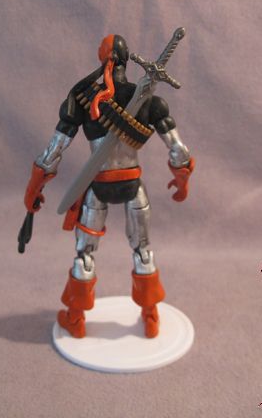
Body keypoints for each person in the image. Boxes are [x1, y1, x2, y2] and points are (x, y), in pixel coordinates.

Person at [24, 34, 194, 339]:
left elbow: (54, 150)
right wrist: (182, 181)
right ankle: (150, 314)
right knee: (143, 250)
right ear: (129, 60)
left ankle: (76, 318)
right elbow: (179, 152)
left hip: (99, 186)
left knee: (85, 254)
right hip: (132, 184)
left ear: (102, 57)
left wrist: (35, 187)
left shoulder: (81, 99)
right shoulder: (149, 103)